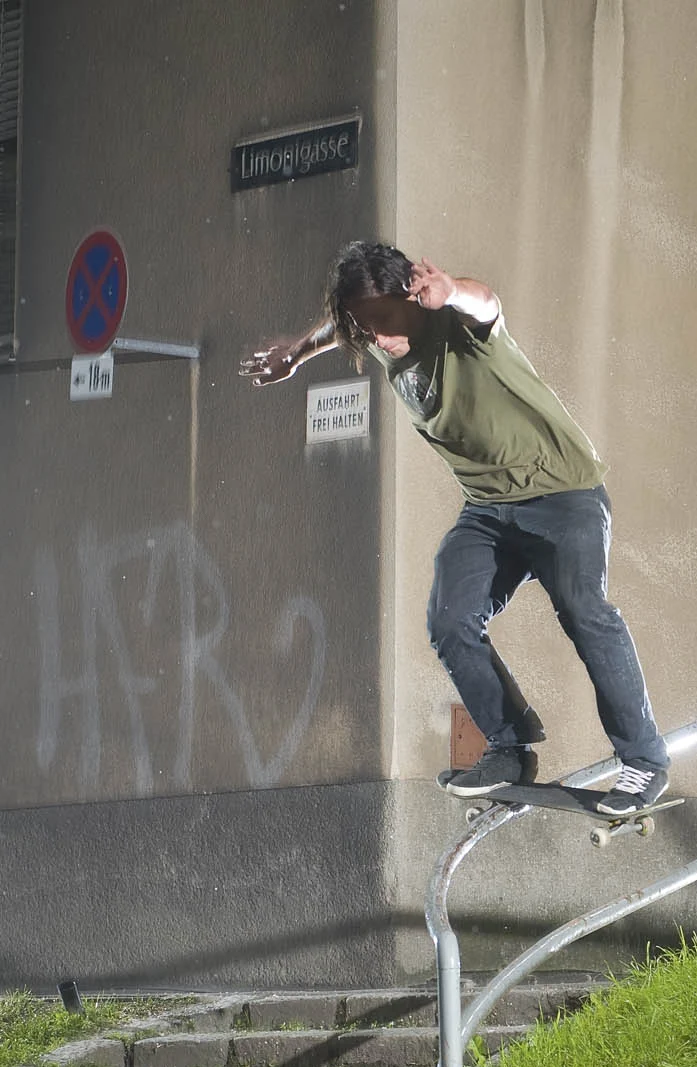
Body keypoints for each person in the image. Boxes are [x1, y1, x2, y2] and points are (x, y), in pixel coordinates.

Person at [240, 241, 670, 814]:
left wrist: (454, 291)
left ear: (414, 296)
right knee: (449, 620)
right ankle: (510, 745)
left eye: (386, 321)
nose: (380, 339)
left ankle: (644, 760)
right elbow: (341, 327)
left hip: (562, 495)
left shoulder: (456, 326)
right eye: (365, 328)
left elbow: (486, 302)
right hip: (488, 510)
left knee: (583, 611)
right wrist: (297, 352)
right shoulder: (373, 332)